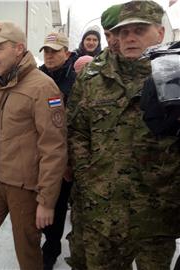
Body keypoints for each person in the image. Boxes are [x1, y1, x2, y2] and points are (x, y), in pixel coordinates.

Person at [68, 1, 180, 269]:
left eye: (140, 30)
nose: (129, 37)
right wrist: (89, 176)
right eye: (123, 31)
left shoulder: (175, 76)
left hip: (157, 215)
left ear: (160, 33)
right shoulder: (92, 77)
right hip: (103, 213)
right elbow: (77, 131)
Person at [0, 21, 68, 270]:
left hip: (24, 186)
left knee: (27, 250)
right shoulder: (1, 83)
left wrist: (46, 200)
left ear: (19, 49)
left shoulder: (43, 87)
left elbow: (54, 147)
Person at [65, 4, 123, 269]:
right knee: (85, 242)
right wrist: (82, 167)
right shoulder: (87, 73)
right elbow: (75, 126)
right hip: (90, 178)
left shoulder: (156, 73)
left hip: (132, 192)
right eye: (109, 33)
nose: (117, 39)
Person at [37, 32, 76, 270]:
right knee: (38, 200)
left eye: (55, 51)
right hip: (39, 152)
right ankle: (41, 239)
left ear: (67, 53)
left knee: (58, 203)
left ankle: (51, 247)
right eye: (47, 51)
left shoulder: (76, 80)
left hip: (64, 153)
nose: (50, 56)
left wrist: (69, 161)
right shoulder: (36, 75)